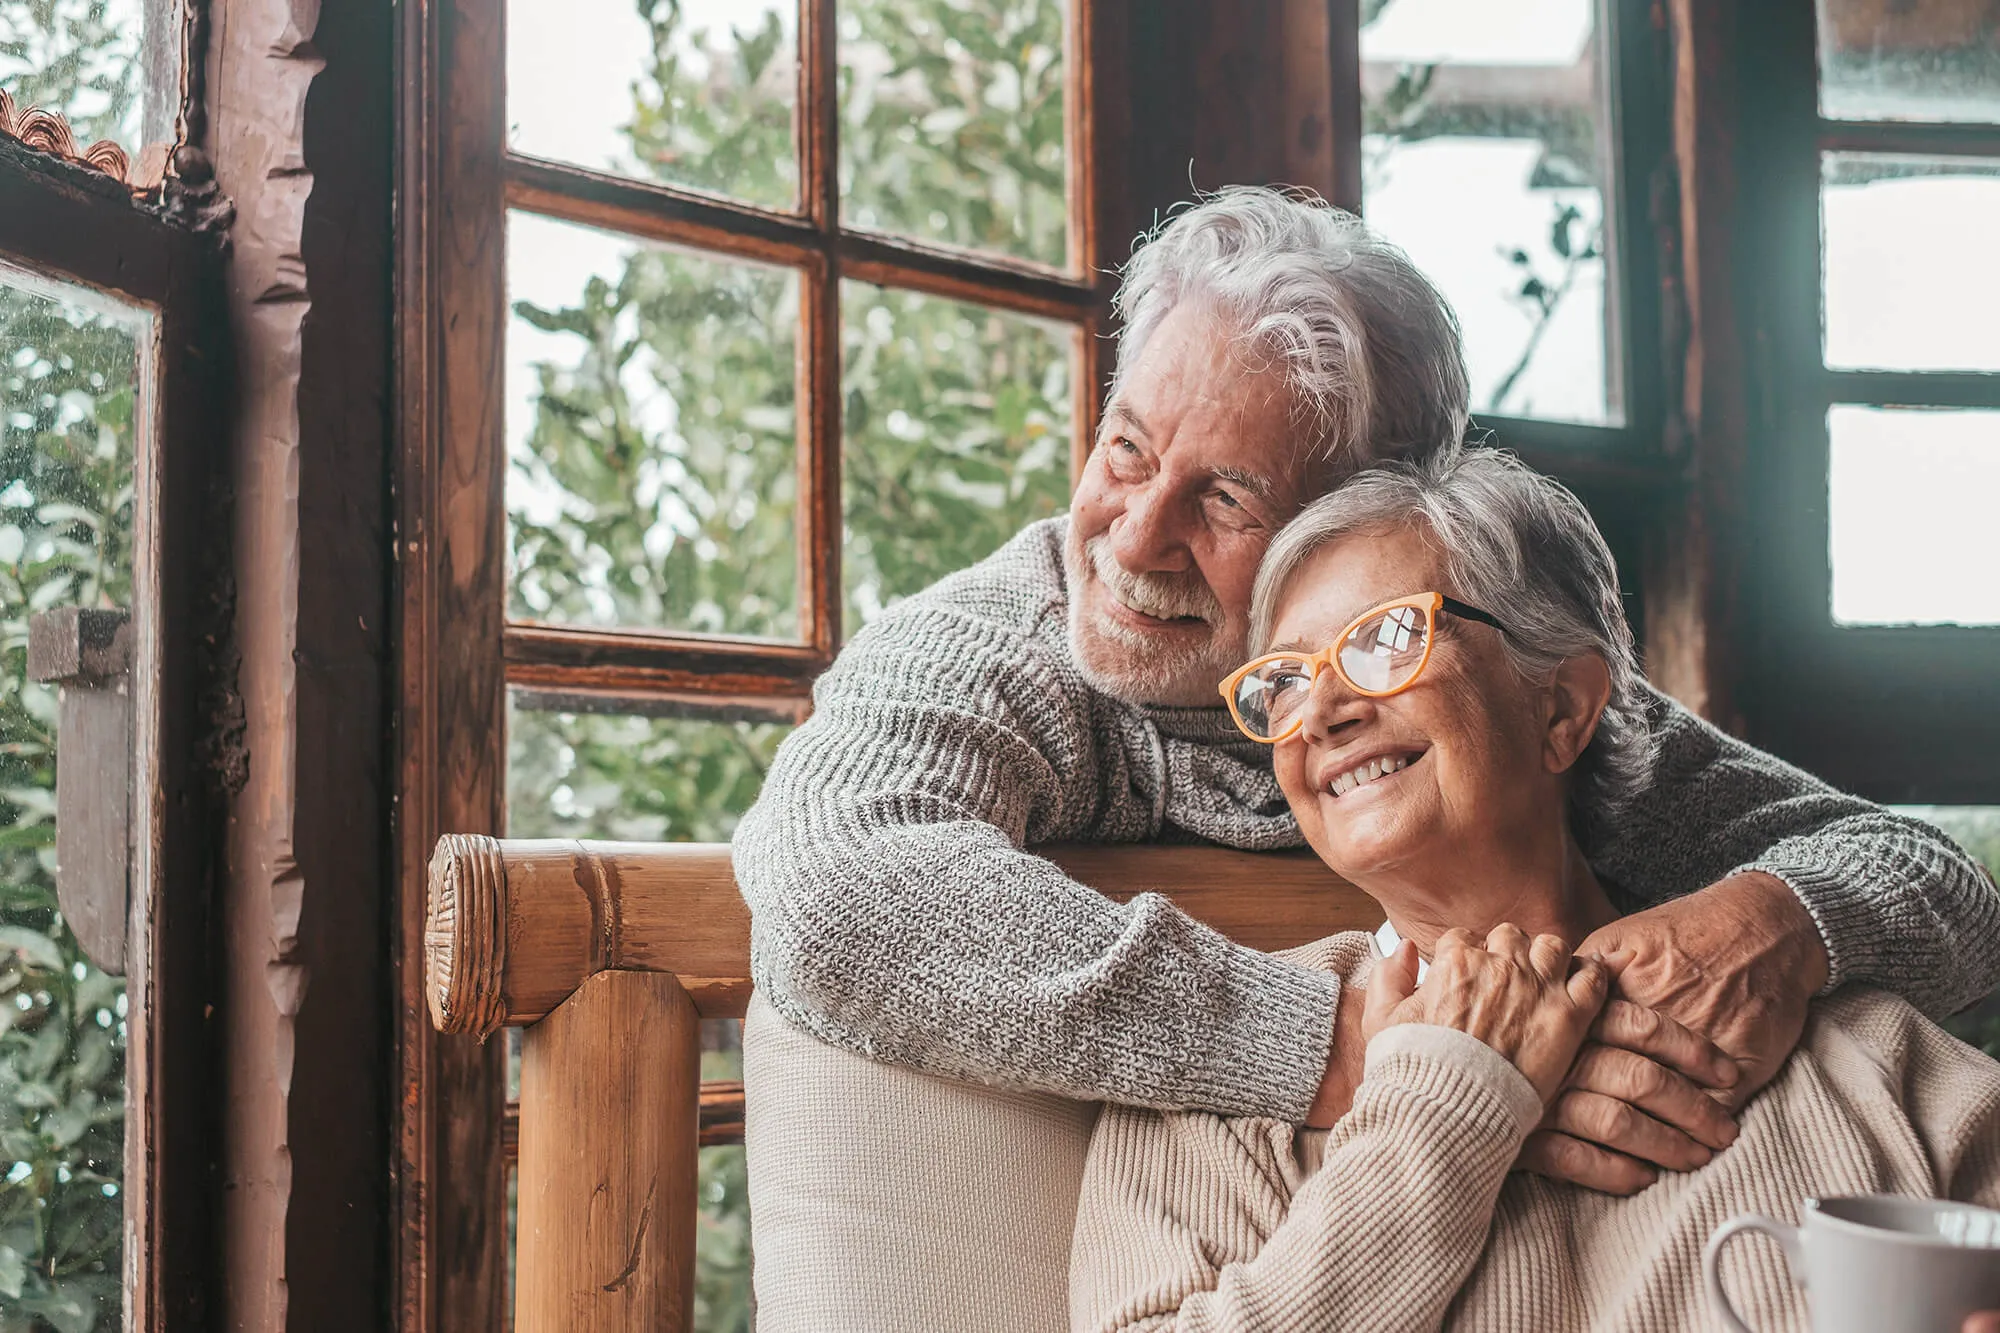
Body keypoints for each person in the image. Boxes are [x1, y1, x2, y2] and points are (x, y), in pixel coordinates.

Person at [731, 185, 2000, 1187]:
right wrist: (1365, 1047)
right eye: (1125, 448)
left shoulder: (1486, 687)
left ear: (1353, 533)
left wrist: (1781, 918)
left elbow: (1930, 881)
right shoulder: (1001, 640)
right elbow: (838, 894)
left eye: (1223, 498)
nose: (1127, 538)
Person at [1069, 449, 2000, 1331]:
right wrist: (1447, 1104)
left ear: (1560, 708)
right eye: (1283, 680)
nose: (1322, 711)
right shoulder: (1218, 1088)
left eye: (1387, 638)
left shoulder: (1860, 1049)